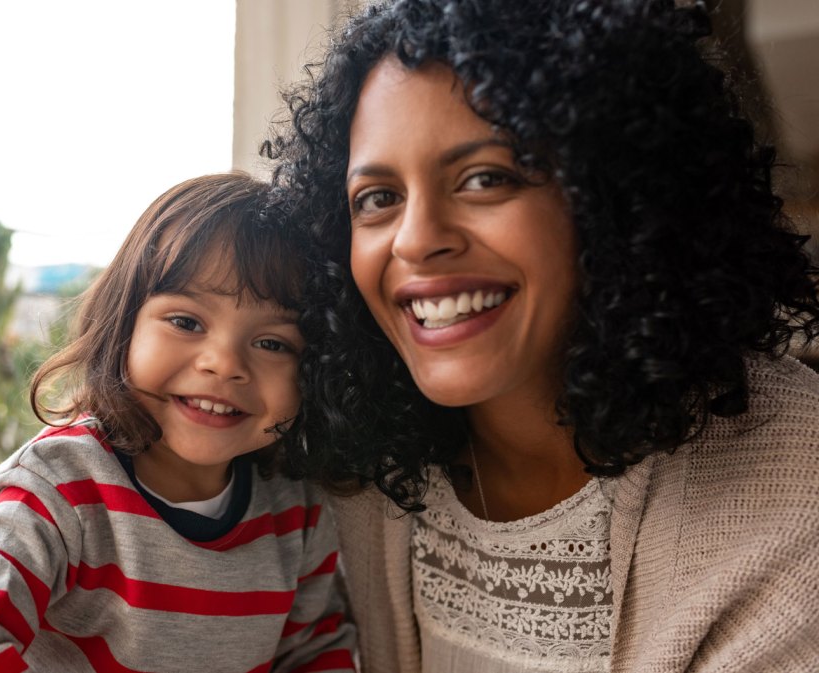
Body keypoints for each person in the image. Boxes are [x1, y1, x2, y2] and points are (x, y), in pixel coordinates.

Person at [266, 0, 819, 671]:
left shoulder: (797, 496)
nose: (415, 240)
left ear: (615, 194)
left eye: (485, 178)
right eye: (378, 197)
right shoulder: (343, 470)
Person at [0, 173, 355, 672]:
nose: (224, 364)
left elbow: (313, 652)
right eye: (186, 322)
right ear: (123, 324)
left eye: (272, 343)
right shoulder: (59, 488)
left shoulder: (297, 509)